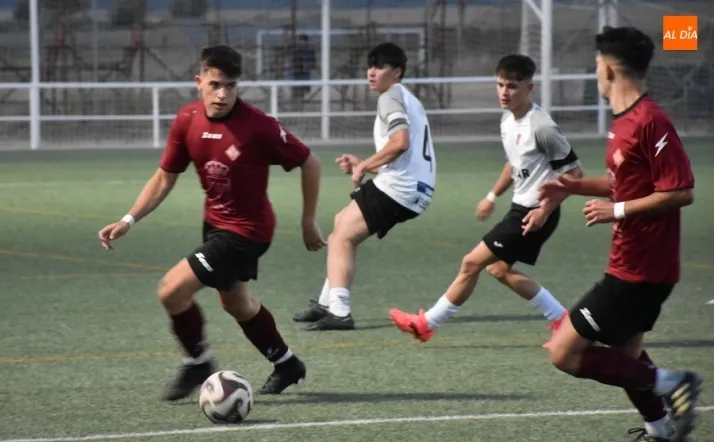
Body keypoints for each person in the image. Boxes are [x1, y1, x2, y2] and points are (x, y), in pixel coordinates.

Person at [97, 45, 327, 400]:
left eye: (231, 86)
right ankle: (287, 363)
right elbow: (165, 177)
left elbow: (310, 162)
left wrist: (308, 222)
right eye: (215, 85)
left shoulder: (258, 126)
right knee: (237, 304)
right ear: (199, 82)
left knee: (171, 291)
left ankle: (198, 362)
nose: (223, 94)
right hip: (216, 226)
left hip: (247, 232)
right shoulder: (187, 120)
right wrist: (129, 219)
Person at [539, 26, 701, 442]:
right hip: (633, 261)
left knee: (564, 352)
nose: (595, 74)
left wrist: (618, 211)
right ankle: (660, 434)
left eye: (596, 66)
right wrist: (571, 187)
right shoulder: (624, 123)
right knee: (626, 356)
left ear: (609, 70)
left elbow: (681, 190)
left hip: (642, 268)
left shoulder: (650, 120)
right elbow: (623, 182)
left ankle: (675, 382)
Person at [388, 54, 582, 344]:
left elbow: (575, 175)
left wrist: (544, 211)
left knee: (471, 263)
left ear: (529, 88)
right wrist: (492, 196)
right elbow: (514, 164)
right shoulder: (508, 121)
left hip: (533, 213)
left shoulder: (542, 127)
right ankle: (562, 320)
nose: (505, 92)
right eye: (500, 85)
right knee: (498, 269)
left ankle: (426, 323)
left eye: (513, 86)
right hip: (521, 208)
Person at [291, 42, 436, 331]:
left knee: (342, 238)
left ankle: (340, 312)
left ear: (397, 72)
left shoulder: (390, 98)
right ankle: (326, 303)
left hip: (401, 188)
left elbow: (400, 143)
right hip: (413, 186)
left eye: (380, 67)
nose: (371, 72)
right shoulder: (407, 98)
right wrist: (366, 164)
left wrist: (363, 166)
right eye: (370, 66)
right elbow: (407, 155)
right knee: (341, 223)